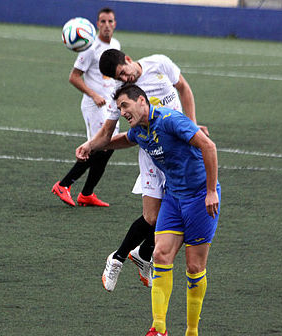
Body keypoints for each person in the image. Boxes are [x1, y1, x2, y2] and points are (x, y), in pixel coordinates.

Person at [78, 83, 220, 336]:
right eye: (119, 109)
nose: (122, 112)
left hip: (199, 199)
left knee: (194, 267)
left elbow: (208, 145)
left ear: (141, 101)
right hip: (173, 198)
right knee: (159, 254)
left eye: (125, 106)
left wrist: (211, 191)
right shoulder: (140, 131)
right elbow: (121, 140)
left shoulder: (170, 120)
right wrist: (91, 145)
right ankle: (159, 328)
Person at [76, 48, 208, 291]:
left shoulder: (160, 64)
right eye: (119, 78)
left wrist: (191, 126)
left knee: (171, 215)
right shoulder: (123, 98)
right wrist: (90, 145)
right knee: (152, 217)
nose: (124, 79)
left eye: (123, 73)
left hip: (178, 152)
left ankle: (144, 253)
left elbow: (184, 89)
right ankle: (118, 258)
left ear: (128, 59)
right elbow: (109, 133)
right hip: (152, 154)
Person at [52, 8, 120, 207]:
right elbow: (74, 77)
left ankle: (87, 194)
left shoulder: (115, 44)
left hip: (109, 105)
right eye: (103, 21)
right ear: (97, 24)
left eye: (110, 21)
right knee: (98, 146)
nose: (107, 25)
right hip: (93, 105)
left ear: (115, 24)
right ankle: (63, 185)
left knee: (108, 147)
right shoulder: (90, 47)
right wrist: (94, 94)